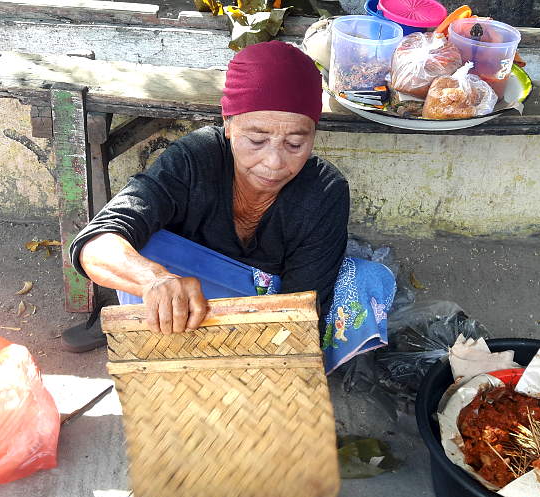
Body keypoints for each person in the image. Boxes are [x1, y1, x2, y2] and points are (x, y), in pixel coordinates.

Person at [64, 41, 395, 372]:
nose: (274, 162)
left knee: (363, 283)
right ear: (229, 123)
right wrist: (153, 281)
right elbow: (95, 243)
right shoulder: (196, 159)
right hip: (193, 305)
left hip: (270, 306)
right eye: (256, 140)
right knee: (146, 244)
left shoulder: (324, 192)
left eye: (295, 143)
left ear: (313, 134)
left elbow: (302, 311)